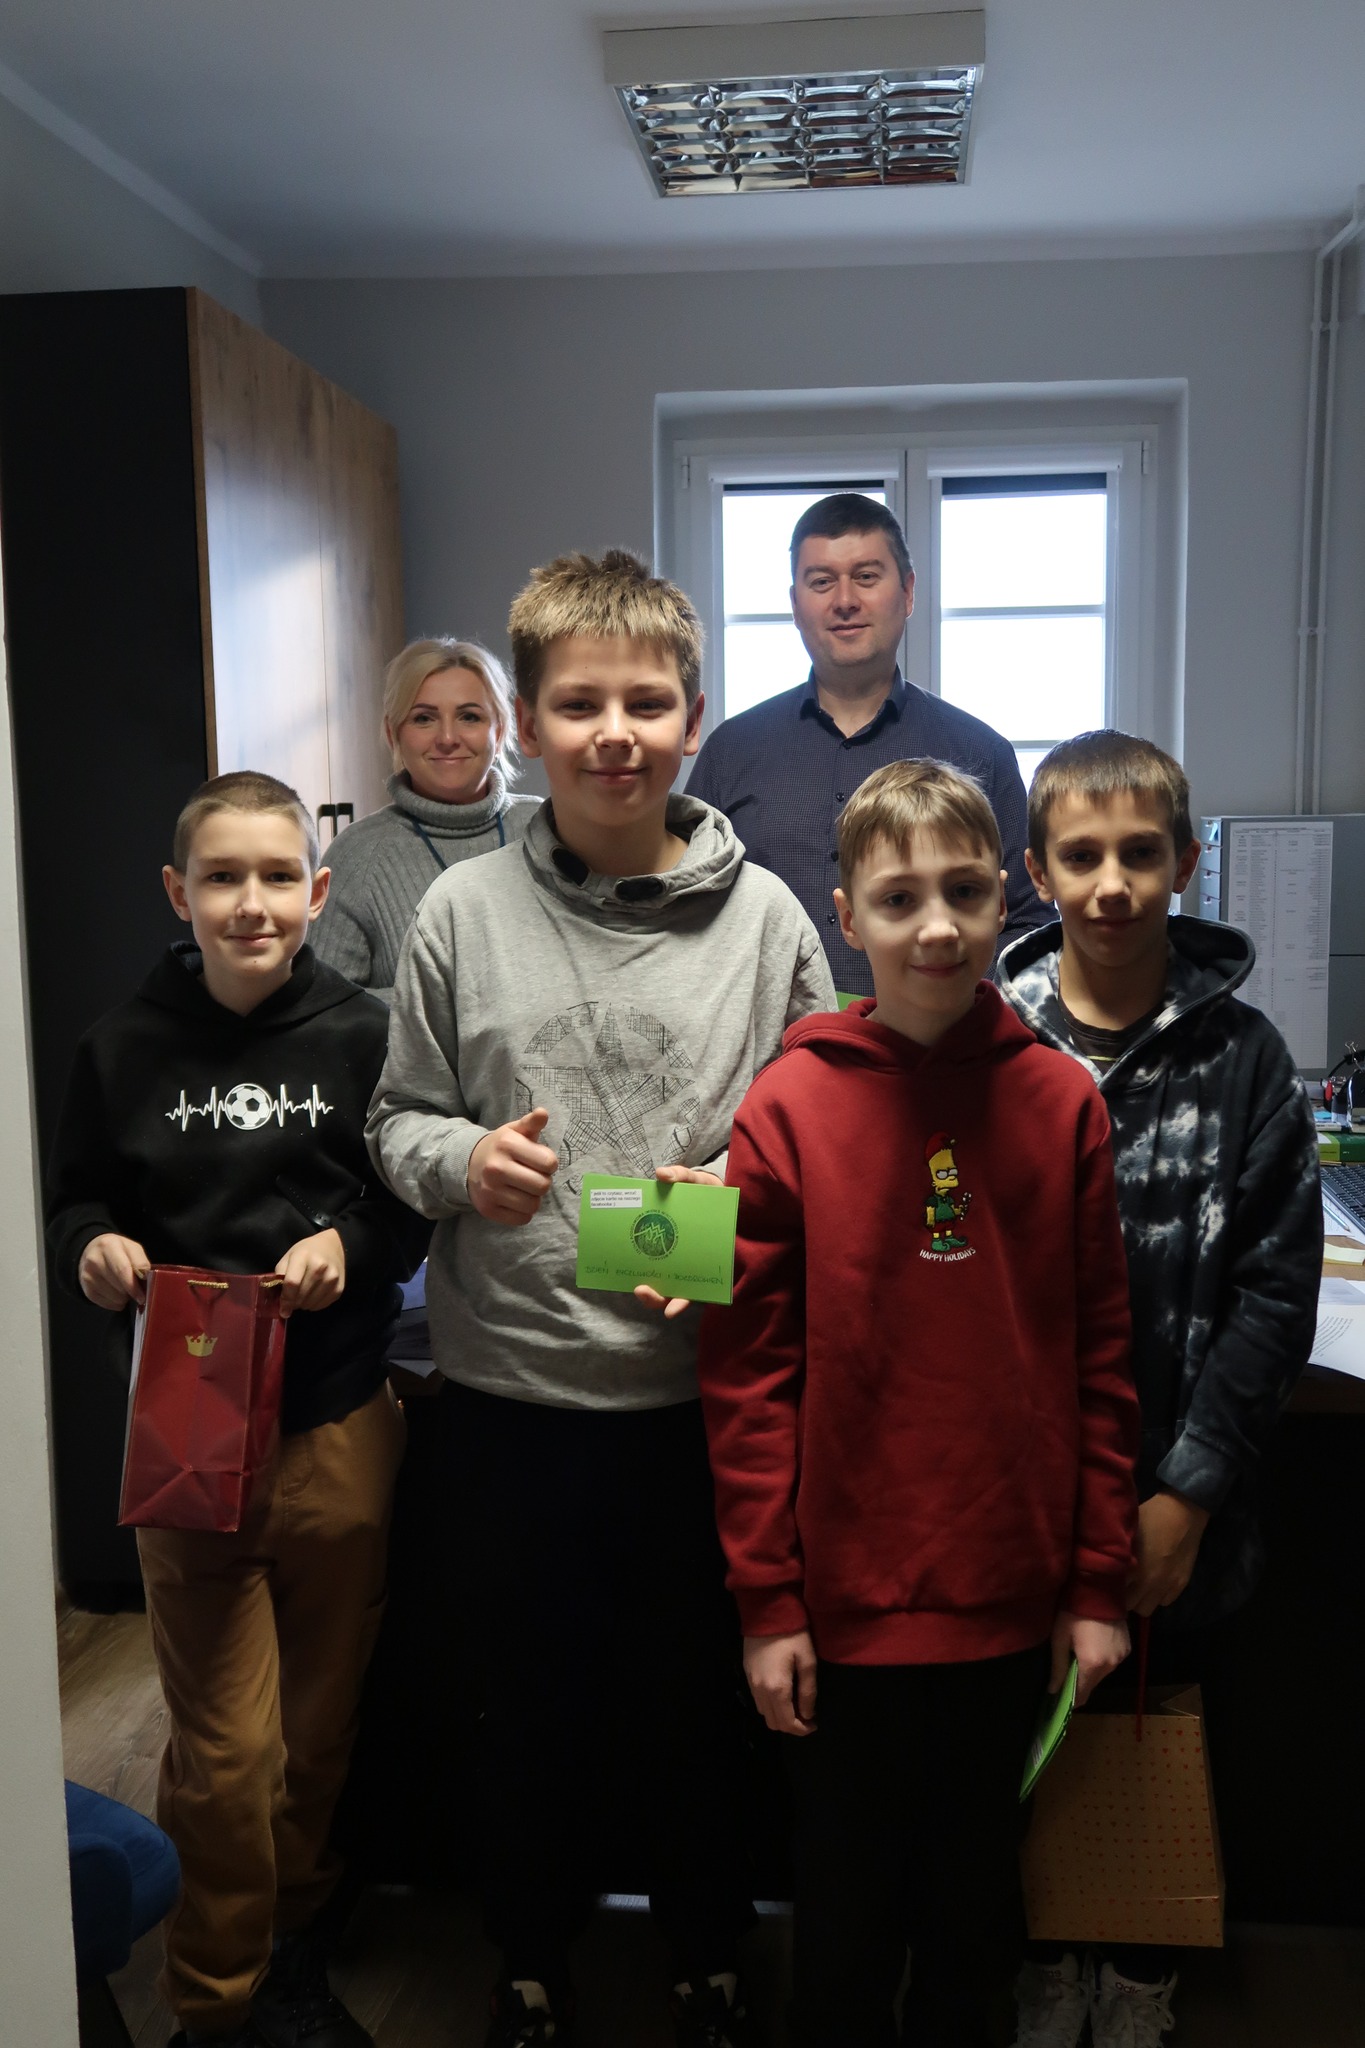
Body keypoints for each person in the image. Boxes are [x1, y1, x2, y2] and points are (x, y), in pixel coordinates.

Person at [366, 549, 836, 2048]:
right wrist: (461, 1161)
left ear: (693, 716)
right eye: (579, 704)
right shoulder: (460, 912)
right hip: (510, 1403)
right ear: (530, 721)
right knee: (523, 1715)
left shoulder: (768, 919)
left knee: (698, 1709)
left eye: (645, 702)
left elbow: (830, 1126)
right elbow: (396, 1118)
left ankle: (708, 1957)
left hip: (710, 1409)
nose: (614, 732)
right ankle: (527, 1961)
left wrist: (743, 1193)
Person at [697, 757, 1140, 2048]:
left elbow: (1103, 1358)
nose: (936, 925)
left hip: (1009, 1602)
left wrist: (1095, 1584)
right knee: (840, 1937)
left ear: (1007, 896)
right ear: (846, 916)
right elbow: (747, 1376)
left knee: (972, 1936)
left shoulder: (1061, 1101)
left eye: (963, 891)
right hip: (841, 1613)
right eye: (899, 899)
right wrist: (768, 1603)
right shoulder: (788, 1104)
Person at [46, 771, 430, 2048]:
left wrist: (349, 1245)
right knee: (224, 1756)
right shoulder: (119, 1046)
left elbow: (405, 1204)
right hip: (188, 1432)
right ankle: (215, 1999)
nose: (251, 903)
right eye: (222, 877)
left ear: (316, 889)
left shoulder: (368, 1035)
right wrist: (93, 1248)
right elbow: (74, 1201)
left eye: (276, 876)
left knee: (316, 1734)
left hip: (337, 1421)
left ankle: (292, 1954)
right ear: (180, 892)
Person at [997, 731, 1322, 2048]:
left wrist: (1187, 1493)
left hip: (1178, 1500)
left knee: (1159, 1726)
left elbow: (1275, 1294)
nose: (1113, 884)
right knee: (1021, 1733)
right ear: (1037, 871)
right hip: (1014, 1497)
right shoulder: (988, 1041)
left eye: (1141, 852)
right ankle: (1043, 1956)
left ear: (1186, 862)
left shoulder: (1247, 1056)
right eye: (1081, 856)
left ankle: (1139, 1968)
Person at [686, 492, 1048, 995]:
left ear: (908, 592)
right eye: (821, 581)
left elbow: (1027, 924)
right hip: (766, 1040)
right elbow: (688, 910)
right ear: (795, 605)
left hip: (940, 1039)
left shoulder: (980, 754)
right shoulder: (731, 751)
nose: (845, 600)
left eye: (866, 576)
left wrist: (949, 1007)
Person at [312, 637, 538, 1002]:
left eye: (469, 716)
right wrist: (450, 1003)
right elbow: (326, 1011)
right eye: (423, 718)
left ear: (499, 731)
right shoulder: (356, 857)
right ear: (393, 734)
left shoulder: (550, 828)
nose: (447, 738)